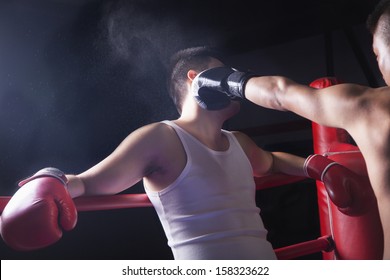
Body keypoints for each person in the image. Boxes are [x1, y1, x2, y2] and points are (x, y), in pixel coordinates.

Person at [0, 47, 363, 260]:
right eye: (223, 74)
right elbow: (91, 182)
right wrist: (51, 179)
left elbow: (271, 162)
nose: (234, 82)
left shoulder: (239, 141)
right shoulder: (161, 137)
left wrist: (319, 166)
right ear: (195, 79)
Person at [189, 0, 390, 260]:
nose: (377, 64)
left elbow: (280, 93)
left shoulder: (368, 108)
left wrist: (222, 80)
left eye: (376, 53)